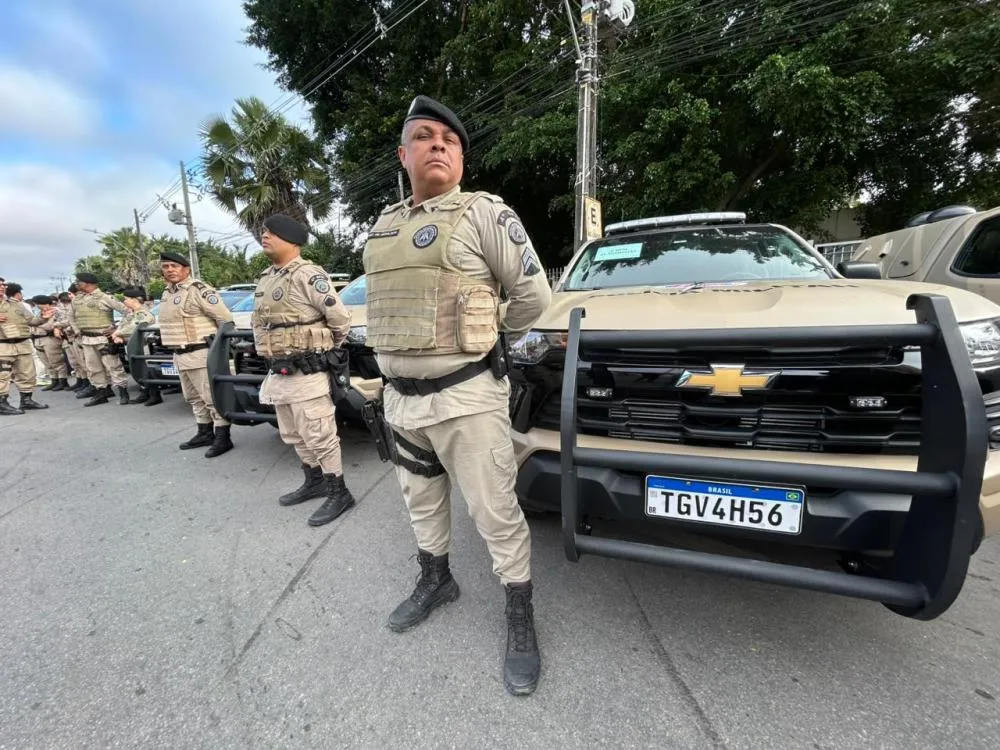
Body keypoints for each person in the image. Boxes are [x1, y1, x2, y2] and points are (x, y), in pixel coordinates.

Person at [362, 95, 552, 696]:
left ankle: (519, 614)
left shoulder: (483, 215)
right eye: (423, 136)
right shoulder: (383, 226)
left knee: (494, 511)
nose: (438, 144)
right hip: (402, 400)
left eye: (449, 138)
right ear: (404, 154)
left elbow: (533, 298)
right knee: (419, 500)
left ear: (462, 157)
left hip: (466, 397)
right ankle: (436, 579)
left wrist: (491, 341)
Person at [251, 214, 356, 527]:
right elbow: (259, 322)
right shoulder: (267, 277)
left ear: (291, 239)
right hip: (279, 373)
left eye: (271, 232)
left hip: (308, 373)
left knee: (319, 434)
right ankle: (315, 481)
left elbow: (339, 320)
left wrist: (323, 353)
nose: (264, 235)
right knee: (295, 435)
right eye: (263, 231)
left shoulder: (309, 275)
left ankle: (340, 491)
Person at [157, 251, 235, 457]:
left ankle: (223, 437)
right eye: (166, 267)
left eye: (174, 266)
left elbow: (225, 320)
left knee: (211, 398)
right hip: (179, 354)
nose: (170, 270)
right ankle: (204, 432)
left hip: (200, 353)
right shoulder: (168, 293)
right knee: (192, 397)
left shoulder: (198, 290)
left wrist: (218, 351)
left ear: (186, 269)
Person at [68, 272, 130, 406]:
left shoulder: (105, 297)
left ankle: (123, 392)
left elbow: (128, 312)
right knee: (93, 368)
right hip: (87, 339)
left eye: (79, 282)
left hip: (104, 338)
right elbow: (71, 317)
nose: (77, 284)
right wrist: (77, 331)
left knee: (113, 366)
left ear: (89, 284)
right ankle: (101, 393)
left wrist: (118, 330)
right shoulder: (77, 300)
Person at [0, 282, 55, 414]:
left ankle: (26, 400)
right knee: (2, 375)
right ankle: (2, 404)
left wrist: (43, 317)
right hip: (2, 346)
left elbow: (32, 321)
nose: (2, 287)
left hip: (22, 344)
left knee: (27, 373)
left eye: (3, 285)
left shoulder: (17, 304)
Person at [110, 287, 156, 405]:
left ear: (135, 300)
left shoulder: (143, 313)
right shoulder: (131, 314)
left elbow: (134, 327)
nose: (124, 301)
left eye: (126, 299)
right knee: (138, 370)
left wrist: (118, 334)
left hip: (143, 346)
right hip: (132, 345)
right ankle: (144, 391)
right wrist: (119, 335)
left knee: (146, 369)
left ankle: (154, 395)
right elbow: (122, 326)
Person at [29, 295, 70, 391]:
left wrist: (43, 324)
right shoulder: (40, 314)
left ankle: (62, 381)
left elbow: (50, 326)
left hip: (50, 338)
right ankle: (54, 380)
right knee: (47, 362)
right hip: (38, 339)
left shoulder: (56, 311)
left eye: (38, 304)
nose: (37, 306)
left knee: (56, 361)